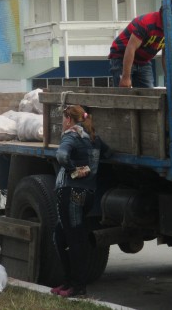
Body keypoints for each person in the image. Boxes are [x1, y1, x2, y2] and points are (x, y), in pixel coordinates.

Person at [51, 105, 111, 298]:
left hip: (72, 193)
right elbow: (108, 153)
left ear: (69, 119)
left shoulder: (71, 135)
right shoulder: (94, 138)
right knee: (61, 236)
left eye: (63, 119)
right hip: (88, 194)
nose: (62, 123)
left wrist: (73, 170)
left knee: (74, 238)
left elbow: (61, 156)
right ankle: (69, 281)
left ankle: (78, 286)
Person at [108, 0, 172, 88]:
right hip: (122, 56)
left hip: (143, 61)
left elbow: (166, 56)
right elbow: (131, 48)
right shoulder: (146, 23)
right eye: (170, 13)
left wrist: (169, 79)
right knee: (124, 91)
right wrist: (125, 77)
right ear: (162, 11)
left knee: (148, 93)